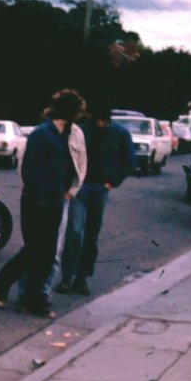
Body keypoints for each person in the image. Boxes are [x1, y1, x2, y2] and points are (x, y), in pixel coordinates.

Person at [0, 88, 84, 317]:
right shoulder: (41, 134)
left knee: (46, 254)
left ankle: (33, 301)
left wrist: (66, 192)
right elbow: (29, 169)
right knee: (34, 251)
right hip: (36, 202)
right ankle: (3, 282)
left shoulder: (67, 134)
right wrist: (40, 198)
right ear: (69, 111)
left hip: (56, 200)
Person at [55, 103, 135, 295]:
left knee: (91, 235)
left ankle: (82, 278)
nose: (100, 124)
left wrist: (113, 182)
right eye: (97, 120)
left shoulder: (120, 133)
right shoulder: (81, 130)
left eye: (104, 121)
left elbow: (129, 161)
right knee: (74, 232)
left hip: (100, 188)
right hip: (80, 188)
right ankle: (67, 277)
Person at [23, 91, 87, 308]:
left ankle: (42, 291)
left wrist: (72, 191)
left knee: (53, 249)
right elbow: (28, 166)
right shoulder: (42, 133)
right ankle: (26, 290)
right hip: (40, 199)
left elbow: (81, 163)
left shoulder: (75, 133)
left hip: (61, 197)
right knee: (36, 247)